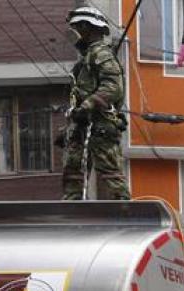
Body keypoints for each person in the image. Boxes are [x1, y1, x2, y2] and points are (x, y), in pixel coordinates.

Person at [60, 6, 129, 201]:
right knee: (73, 172)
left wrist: (88, 105)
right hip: (82, 125)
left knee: (110, 174)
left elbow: (113, 88)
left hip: (100, 125)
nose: (74, 33)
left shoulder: (101, 54)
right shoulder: (85, 59)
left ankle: (126, 214)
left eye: (77, 27)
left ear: (88, 27)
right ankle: (71, 211)